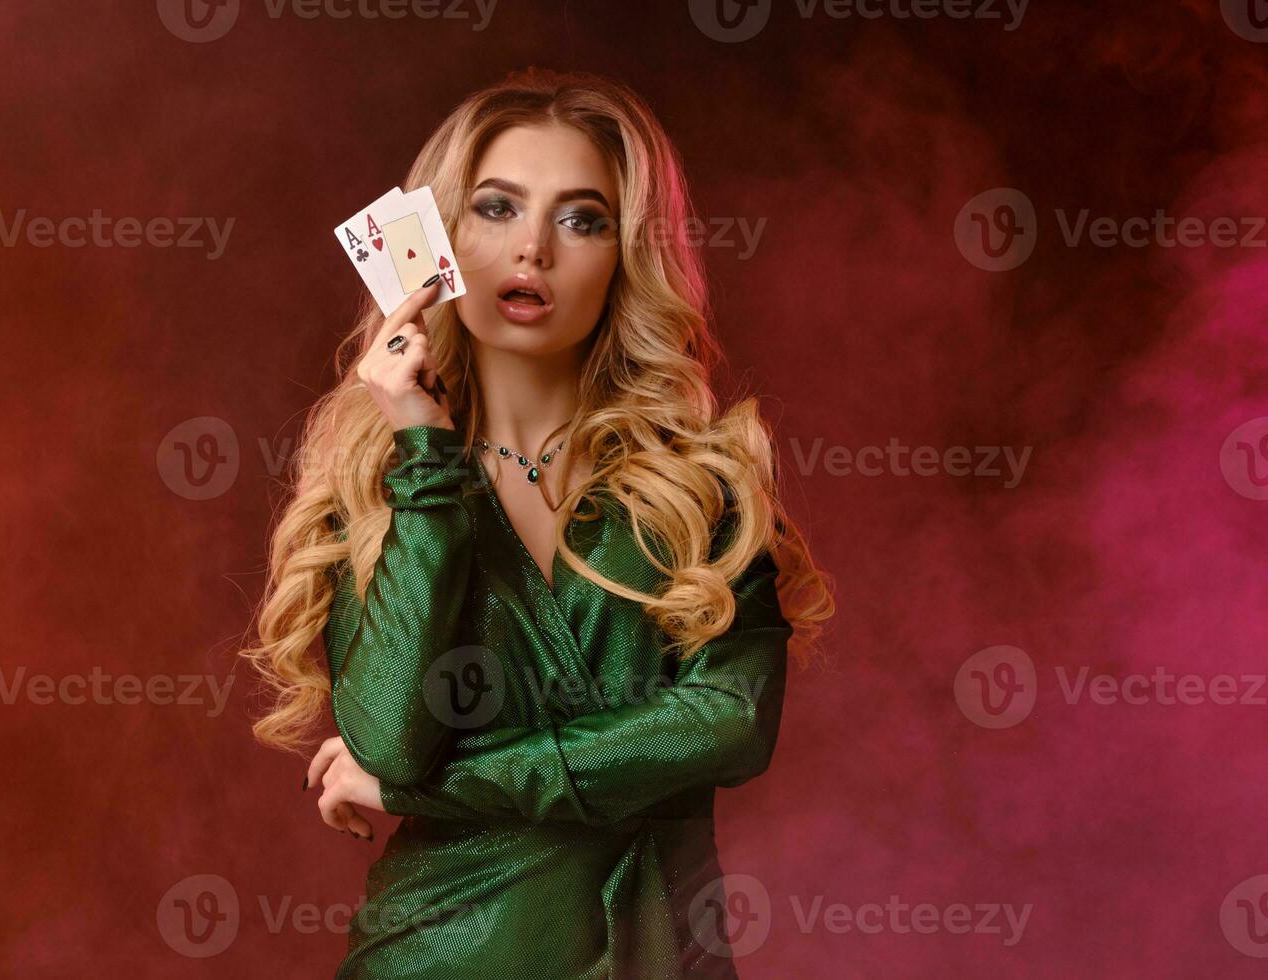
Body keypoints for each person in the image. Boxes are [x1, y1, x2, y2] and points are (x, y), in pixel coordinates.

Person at [242, 66, 834, 979]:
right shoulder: (374, 482)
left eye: (580, 218)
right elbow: (391, 738)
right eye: (496, 208)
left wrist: (441, 785)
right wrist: (428, 462)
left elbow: (728, 725)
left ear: (625, 254)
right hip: (437, 954)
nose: (533, 250)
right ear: (435, 242)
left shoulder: (701, 480)